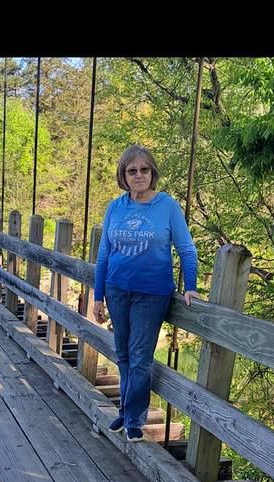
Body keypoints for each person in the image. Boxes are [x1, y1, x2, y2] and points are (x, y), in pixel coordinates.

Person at [93, 145, 200, 442]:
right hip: (116, 290)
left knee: (140, 356)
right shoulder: (115, 207)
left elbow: (187, 249)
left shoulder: (167, 206)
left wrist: (190, 286)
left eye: (144, 170)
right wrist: (98, 296)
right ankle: (127, 411)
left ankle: (133, 419)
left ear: (152, 173)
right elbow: (103, 255)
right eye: (132, 171)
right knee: (123, 354)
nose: (138, 175)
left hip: (151, 294)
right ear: (123, 176)